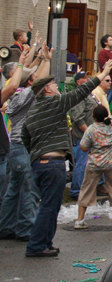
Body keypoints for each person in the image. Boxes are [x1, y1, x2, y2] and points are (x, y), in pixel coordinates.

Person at [20, 58, 112, 257]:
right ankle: (35, 246)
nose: (56, 86)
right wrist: (103, 72)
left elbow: (24, 136)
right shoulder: (55, 103)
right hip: (53, 163)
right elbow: (80, 92)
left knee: (50, 206)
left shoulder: (33, 111)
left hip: (39, 163)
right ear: (47, 90)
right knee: (48, 207)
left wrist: (35, 153)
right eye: (53, 85)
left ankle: (45, 242)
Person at [0, 47, 38, 240]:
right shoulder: (20, 95)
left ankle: (6, 226)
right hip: (17, 146)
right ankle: (25, 229)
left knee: (12, 188)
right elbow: (15, 86)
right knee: (25, 187)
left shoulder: (14, 96)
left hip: (9, 146)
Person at [74, 93, 112, 231]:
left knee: (86, 189)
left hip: (94, 163)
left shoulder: (91, 129)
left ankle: (79, 220)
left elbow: (83, 148)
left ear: (93, 116)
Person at [67, 71, 98, 199]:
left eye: (88, 77)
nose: (88, 79)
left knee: (90, 164)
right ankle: (76, 191)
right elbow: (77, 118)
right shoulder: (79, 96)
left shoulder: (88, 95)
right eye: (85, 78)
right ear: (78, 82)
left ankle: (91, 188)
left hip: (92, 136)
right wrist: (89, 133)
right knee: (81, 163)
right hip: (83, 138)